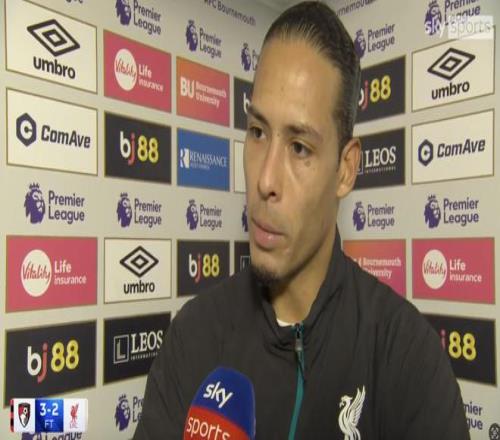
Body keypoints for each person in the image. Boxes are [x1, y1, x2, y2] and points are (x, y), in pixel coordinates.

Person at [133, 2, 469, 439]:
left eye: (299, 147)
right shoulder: (193, 337)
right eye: (257, 132)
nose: (265, 180)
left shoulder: (406, 358)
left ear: (345, 169)